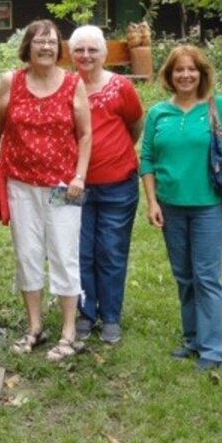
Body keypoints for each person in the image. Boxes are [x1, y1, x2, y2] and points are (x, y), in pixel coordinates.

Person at [0, 19, 92, 363]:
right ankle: (35, 327)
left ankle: (69, 332)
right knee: (27, 253)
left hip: (63, 188)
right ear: (27, 47)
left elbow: (85, 134)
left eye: (52, 42)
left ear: (60, 49)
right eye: (39, 42)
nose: (46, 47)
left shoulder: (74, 84)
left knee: (63, 253)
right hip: (20, 184)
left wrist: (80, 177)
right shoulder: (10, 82)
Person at [140, 44, 222, 371]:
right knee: (184, 276)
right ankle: (192, 339)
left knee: (206, 276)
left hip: (209, 207)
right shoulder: (159, 113)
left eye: (192, 70)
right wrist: (152, 202)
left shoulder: (218, 108)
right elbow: (147, 159)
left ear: (202, 74)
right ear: (169, 75)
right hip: (171, 207)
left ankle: (213, 349)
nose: (185, 75)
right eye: (179, 70)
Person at [69, 25, 144, 344]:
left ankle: (111, 316)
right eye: (79, 50)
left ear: (104, 54)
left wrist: (113, 151)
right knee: (79, 251)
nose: (86, 56)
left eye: (92, 50)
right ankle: (86, 313)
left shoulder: (121, 87)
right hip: (73, 186)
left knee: (111, 251)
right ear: (71, 54)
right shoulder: (64, 87)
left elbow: (135, 125)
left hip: (118, 184)